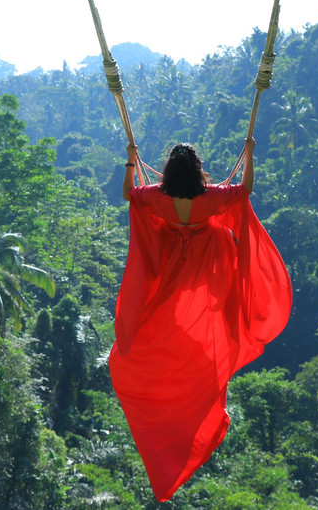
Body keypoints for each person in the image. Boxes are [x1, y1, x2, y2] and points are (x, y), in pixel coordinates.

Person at [109, 139, 292, 502]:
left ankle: (187, 346)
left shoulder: (158, 198)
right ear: (196, 171)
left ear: (170, 171)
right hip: (208, 266)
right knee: (223, 246)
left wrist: (131, 163)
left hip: (175, 268)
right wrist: (249, 155)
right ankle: (222, 330)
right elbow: (245, 190)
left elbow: (129, 194)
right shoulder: (209, 199)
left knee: (163, 318)